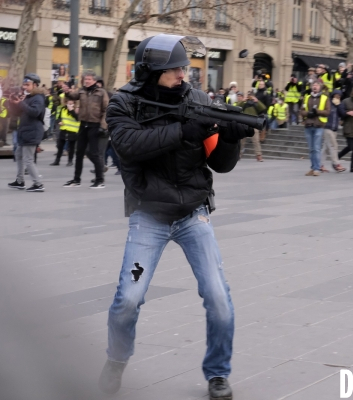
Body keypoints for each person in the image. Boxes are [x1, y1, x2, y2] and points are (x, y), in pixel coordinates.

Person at [101, 34, 254, 400]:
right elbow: (129, 147)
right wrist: (183, 130)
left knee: (218, 296)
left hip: (193, 215)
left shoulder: (199, 100)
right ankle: (116, 360)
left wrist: (230, 136)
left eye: (184, 68)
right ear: (151, 71)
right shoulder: (124, 103)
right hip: (148, 216)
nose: (183, 76)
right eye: (175, 69)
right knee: (129, 298)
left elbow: (220, 164)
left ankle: (218, 373)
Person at [62, 71, 109, 188]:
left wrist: (103, 126)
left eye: (89, 79)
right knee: (79, 153)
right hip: (83, 125)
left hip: (95, 125)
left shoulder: (101, 92)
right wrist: (67, 91)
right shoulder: (82, 91)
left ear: (94, 81)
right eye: (85, 79)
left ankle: (100, 180)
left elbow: (106, 110)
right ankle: (76, 179)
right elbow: (73, 96)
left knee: (95, 153)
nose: (87, 81)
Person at [7, 73, 46, 192]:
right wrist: (12, 103)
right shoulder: (28, 97)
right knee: (18, 155)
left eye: (27, 85)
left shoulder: (38, 98)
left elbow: (35, 112)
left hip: (32, 132)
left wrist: (21, 103)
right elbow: (19, 112)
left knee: (28, 159)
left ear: (35, 85)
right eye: (24, 84)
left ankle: (38, 184)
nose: (24, 87)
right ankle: (20, 181)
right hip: (25, 131)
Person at [300, 81, 330, 176]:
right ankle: (313, 167)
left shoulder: (325, 98)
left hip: (318, 125)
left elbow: (328, 112)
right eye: (313, 85)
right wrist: (308, 114)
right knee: (311, 149)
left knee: (316, 148)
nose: (314, 87)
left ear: (320, 87)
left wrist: (317, 111)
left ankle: (317, 168)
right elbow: (302, 110)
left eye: (316, 85)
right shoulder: (307, 97)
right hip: (308, 125)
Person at [321, 89, 346, 173]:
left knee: (326, 148)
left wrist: (338, 105)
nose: (337, 97)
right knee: (334, 145)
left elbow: (343, 114)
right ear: (333, 96)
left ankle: (320, 164)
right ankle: (336, 164)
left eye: (339, 96)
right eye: (336, 96)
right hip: (327, 128)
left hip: (334, 129)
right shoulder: (328, 103)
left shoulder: (339, 104)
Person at [50, 99, 79, 166]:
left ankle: (70, 161)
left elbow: (77, 118)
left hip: (73, 130)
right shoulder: (63, 109)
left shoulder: (77, 110)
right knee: (60, 146)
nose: (69, 105)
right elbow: (59, 117)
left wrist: (71, 110)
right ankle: (57, 161)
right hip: (64, 129)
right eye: (68, 103)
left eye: (71, 103)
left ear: (74, 103)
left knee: (71, 147)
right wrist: (59, 121)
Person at [238, 91, 265, 162]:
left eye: (250, 96)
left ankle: (258, 155)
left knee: (256, 140)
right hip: (244, 123)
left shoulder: (255, 103)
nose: (249, 97)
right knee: (242, 140)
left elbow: (263, 108)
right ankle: (238, 154)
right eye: (248, 95)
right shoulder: (244, 103)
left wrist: (257, 101)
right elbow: (237, 107)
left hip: (254, 123)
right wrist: (243, 100)